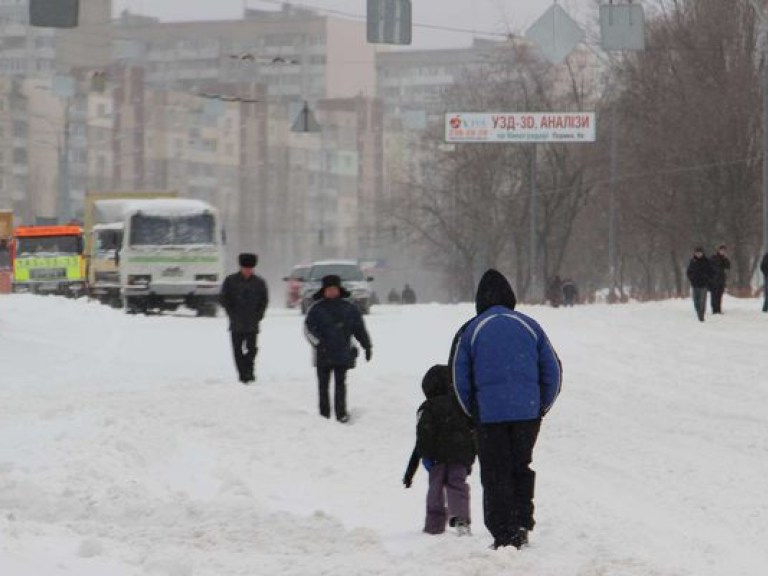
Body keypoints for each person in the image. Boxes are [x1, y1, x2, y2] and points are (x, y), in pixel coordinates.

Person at [451, 269, 562, 550]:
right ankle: (522, 523)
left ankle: (504, 532)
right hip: (527, 413)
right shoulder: (529, 325)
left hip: (489, 416)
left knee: (495, 472)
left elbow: (458, 379)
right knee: (520, 467)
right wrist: (540, 407)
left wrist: (470, 413)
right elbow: (553, 371)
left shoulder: (472, 329)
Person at [402, 364, 475, 536]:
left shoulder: (427, 407)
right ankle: (461, 519)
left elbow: (423, 436)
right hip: (460, 457)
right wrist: (470, 457)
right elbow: (473, 433)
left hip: (437, 458)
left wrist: (412, 470)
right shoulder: (462, 406)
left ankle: (434, 525)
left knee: (435, 489)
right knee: (458, 485)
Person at [304, 274, 372, 423]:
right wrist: (318, 343)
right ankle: (324, 415)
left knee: (340, 385)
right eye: (329, 289)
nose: (332, 292)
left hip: (343, 354)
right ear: (324, 291)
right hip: (322, 355)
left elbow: (359, 329)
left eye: (334, 289)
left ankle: (341, 414)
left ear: (339, 290)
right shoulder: (316, 309)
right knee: (323, 386)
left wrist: (367, 346)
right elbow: (308, 330)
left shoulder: (349, 309)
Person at [219, 253, 269, 384]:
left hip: (253, 322)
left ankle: (249, 370)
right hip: (236, 322)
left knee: (252, 349)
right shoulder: (231, 281)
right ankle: (243, 373)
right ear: (241, 267)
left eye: (250, 268)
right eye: (245, 268)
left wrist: (259, 315)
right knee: (237, 350)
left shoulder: (259, 282)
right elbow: (224, 299)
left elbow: (264, 300)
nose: (248, 270)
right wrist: (231, 313)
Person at [686, 247, 713, 322]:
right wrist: (691, 278)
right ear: (694, 253)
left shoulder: (706, 261)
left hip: (703, 285)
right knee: (695, 301)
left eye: (700, 253)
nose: (698, 254)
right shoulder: (692, 261)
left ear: (702, 253)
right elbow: (688, 272)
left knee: (702, 301)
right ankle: (698, 312)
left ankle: (701, 315)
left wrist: (707, 278)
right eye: (697, 253)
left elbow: (711, 272)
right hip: (695, 285)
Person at [708, 244, 730, 314]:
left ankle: (718, 309)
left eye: (724, 251)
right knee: (714, 295)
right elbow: (709, 267)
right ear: (718, 250)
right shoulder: (713, 258)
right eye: (721, 250)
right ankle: (714, 309)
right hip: (714, 279)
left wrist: (725, 259)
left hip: (721, 279)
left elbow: (728, 266)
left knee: (719, 295)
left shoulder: (724, 259)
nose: (722, 252)